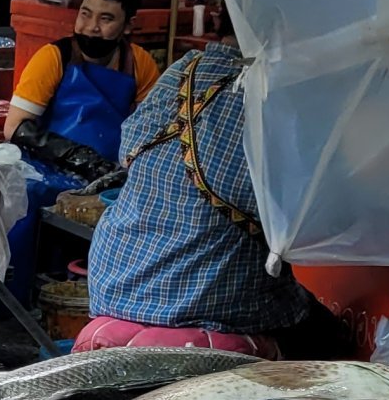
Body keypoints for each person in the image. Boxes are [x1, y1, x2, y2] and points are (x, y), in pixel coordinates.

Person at [79, 39, 345, 358]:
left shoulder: (185, 67)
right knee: (333, 338)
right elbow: (296, 216)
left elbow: (129, 148)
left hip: (115, 283)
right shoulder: (273, 94)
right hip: (203, 300)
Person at [3, 0, 161, 302]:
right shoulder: (54, 57)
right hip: (45, 169)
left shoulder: (139, 64)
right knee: (27, 197)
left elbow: (152, 129)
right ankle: (16, 298)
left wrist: (118, 168)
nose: (91, 27)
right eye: (85, 14)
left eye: (106, 19)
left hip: (109, 172)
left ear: (128, 25)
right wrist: (81, 159)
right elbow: (15, 127)